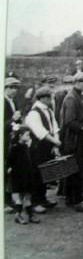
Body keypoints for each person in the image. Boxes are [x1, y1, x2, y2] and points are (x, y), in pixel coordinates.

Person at [61, 72, 83, 213]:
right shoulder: (71, 98)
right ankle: (78, 201)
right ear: (78, 82)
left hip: (77, 140)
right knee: (77, 170)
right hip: (74, 141)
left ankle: (71, 198)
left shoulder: (78, 96)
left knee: (73, 169)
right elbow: (70, 121)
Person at [25, 87, 61, 214]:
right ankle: (35, 202)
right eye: (49, 97)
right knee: (36, 175)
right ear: (43, 98)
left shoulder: (49, 110)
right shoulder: (34, 113)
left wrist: (56, 141)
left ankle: (43, 198)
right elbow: (40, 132)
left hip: (48, 146)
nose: (51, 100)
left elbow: (55, 127)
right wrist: (54, 141)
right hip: (37, 148)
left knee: (46, 173)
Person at [8, 125, 40, 224]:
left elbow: (30, 159)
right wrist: (10, 169)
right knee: (19, 196)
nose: (29, 137)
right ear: (20, 136)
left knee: (28, 194)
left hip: (27, 173)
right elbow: (10, 161)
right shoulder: (15, 147)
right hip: (18, 174)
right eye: (27, 135)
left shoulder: (27, 146)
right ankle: (18, 215)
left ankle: (30, 214)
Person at [4, 77, 22, 213]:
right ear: (5, 88)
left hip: (12, 141)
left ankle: (10, 198)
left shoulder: (14, 101)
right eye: (12, 88)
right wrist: (13, 119)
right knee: (4, 171)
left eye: (16, 88)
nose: (14, 91)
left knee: (11, 169)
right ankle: (4, 201)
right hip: (3, 142)